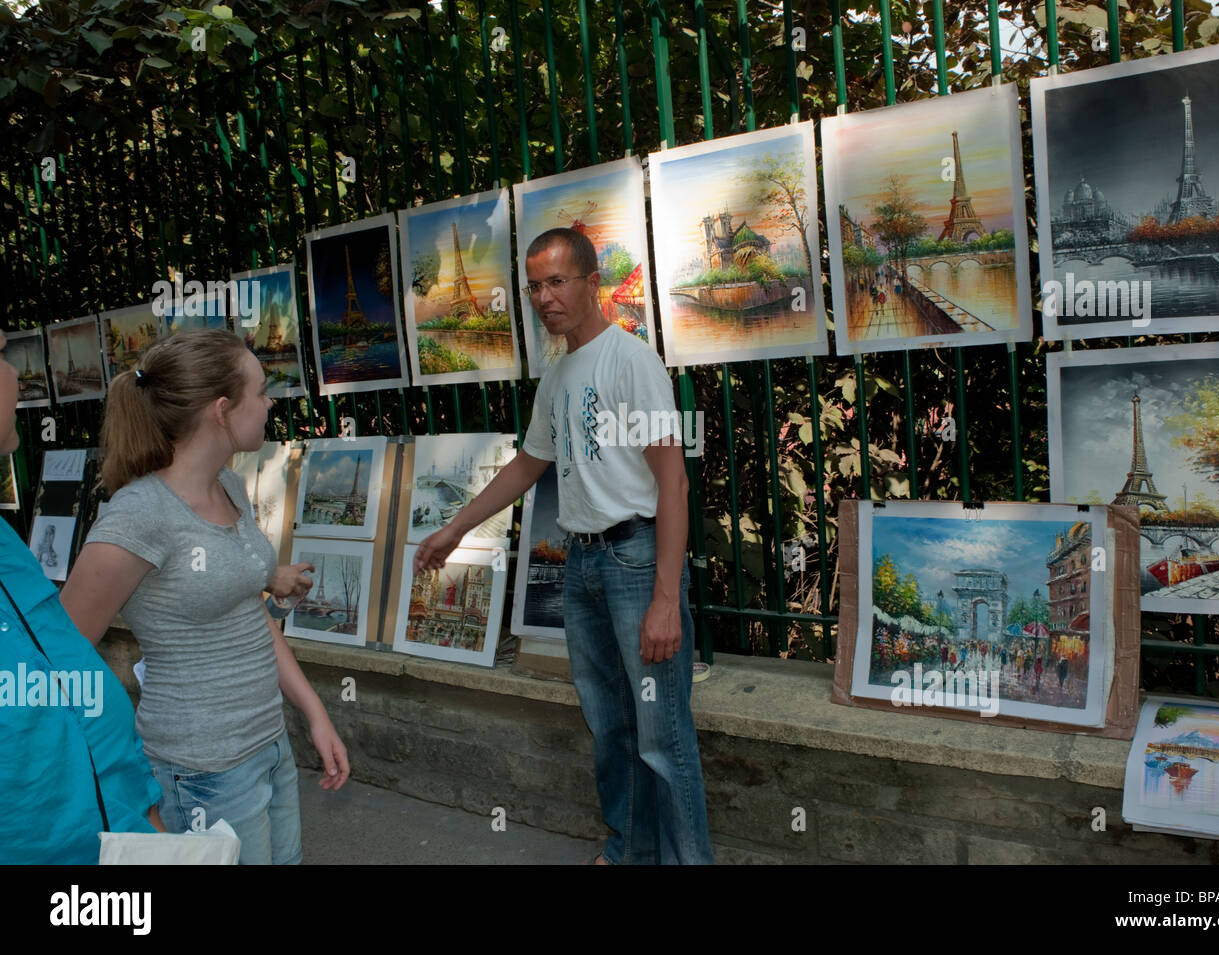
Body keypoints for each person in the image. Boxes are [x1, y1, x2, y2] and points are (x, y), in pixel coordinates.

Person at [415, 228, 713, 865]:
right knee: (610, 727)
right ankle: (630, 851)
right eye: (534, 286)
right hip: (582, 565)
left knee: (664, 737)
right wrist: (456, 526)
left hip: (635, 562)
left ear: (590, 283)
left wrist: (666, 597)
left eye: (557, 282)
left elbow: (674, 481)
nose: (545, 297)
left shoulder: (632, 361)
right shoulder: (557, 373)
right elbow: (528, 466)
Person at [61, 329, 349, 865]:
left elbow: (247, 618)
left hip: (267, 745)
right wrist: (126, 780)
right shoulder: (139, 514)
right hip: (200, 770)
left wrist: (314, 714)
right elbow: (61, 659)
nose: (269, 404)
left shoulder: (229, 485)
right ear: (222, 409)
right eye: (261, 392)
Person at [0, 328, 163, 863]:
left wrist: (147, 821)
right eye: (0, 355)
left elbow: (67, 696)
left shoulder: (9, 547)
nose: (13, 376)